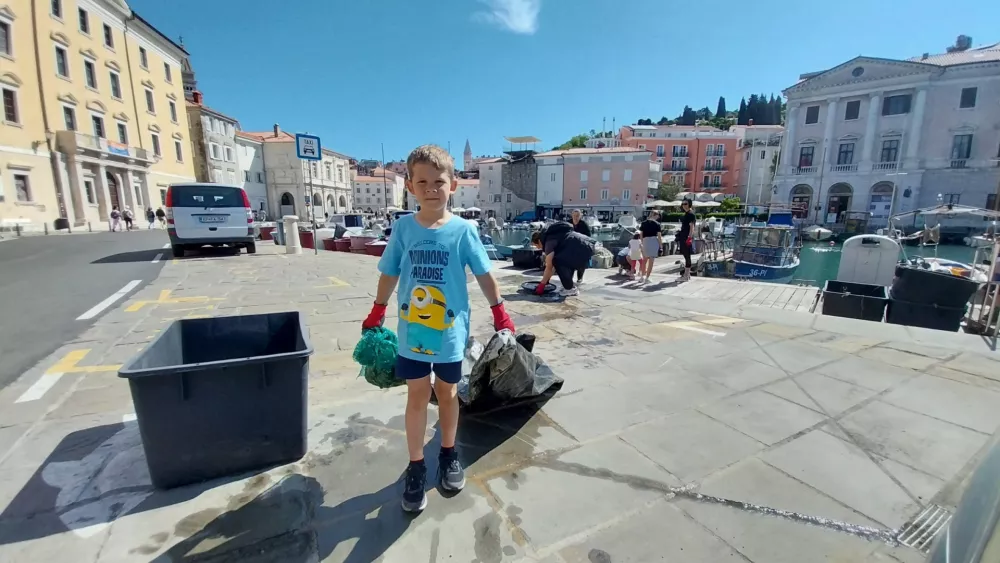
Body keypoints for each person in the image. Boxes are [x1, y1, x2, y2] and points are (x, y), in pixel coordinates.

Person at [360, 145, 515, 514]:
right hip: (412, 333)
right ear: (411, 187)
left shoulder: (464, 230)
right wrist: (377, 310)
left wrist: (500, 314)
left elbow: (484, 274)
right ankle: (416, 466)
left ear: (454, 184)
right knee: (416, 397)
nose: (431, 188)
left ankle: (448, 453)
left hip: (448, 334)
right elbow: (390, 272)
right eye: (422, 182)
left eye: (439, 181)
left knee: (447, 394)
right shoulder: (403, 228)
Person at [530, 221, 595, 297]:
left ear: (538, 241)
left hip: (581, 249)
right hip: (585, 245)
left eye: (536, 246)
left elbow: (549, 267)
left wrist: (542, 284)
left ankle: (570, 289)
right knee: (563, 261)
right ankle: (569, 286)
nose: (538, 248)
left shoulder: (548, 243)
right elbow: (552, 268)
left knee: (557, 261)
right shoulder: (552, 236)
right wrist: (546, 281)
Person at [638, 210, 663, 283]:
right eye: (658, 215)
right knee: (651, 261)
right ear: (656, 215)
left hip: (645, 241)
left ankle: (642, 276)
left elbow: (641, 234)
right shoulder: (657, 224)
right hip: (653, 241)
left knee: (644, 260)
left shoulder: (643, 223)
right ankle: (647, 278)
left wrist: (642, 242)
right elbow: (659, 236)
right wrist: (661, 246)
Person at [569, 209, 591, 285]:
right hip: (570, 246)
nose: (575, 217)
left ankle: (580, 278)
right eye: (574, 216)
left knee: (581, 263)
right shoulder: (568, 223)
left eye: (577, 216)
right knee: (569, 263)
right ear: (572, 215)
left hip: (581, 246)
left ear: (580, 216)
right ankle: (569, 278)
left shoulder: (584, 225)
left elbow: (588, 237)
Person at [677, 199, 696, 281]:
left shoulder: (690, 214)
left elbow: (692, 227)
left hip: (686, 237)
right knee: (685, 255)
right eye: (683, 204)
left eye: (685, 204)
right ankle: (687, 275)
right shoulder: (687, 214)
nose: (684, 205)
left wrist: (689, 237)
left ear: (689, 204)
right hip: (683, 236)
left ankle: (686, 275)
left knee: (687, 255)